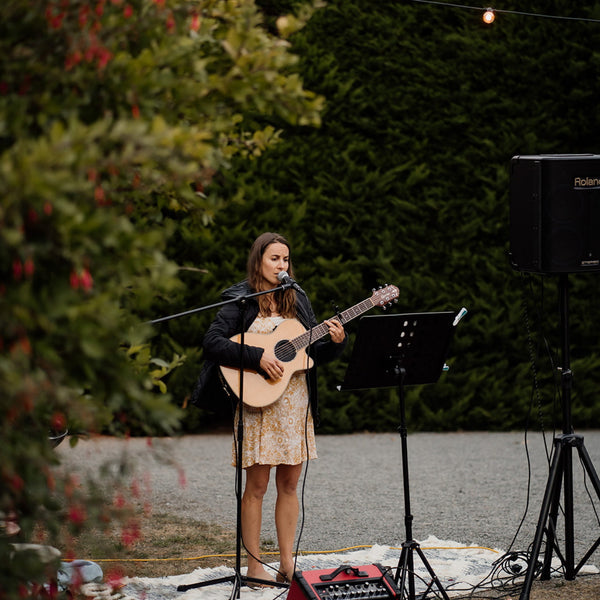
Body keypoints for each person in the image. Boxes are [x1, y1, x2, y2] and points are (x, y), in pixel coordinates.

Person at [196, 232, 347, 585]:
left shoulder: (298, 299)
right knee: (257, 487)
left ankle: (287, 563)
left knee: (290, 486)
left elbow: (309, 355)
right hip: (258, 404)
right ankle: (253, 565)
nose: (281, 265)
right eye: (274, 259)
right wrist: (258, 356)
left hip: (294, 405)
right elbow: (212, 343)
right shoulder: (241, 300)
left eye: (285, 259)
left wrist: (337, 344)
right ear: (258, 262)